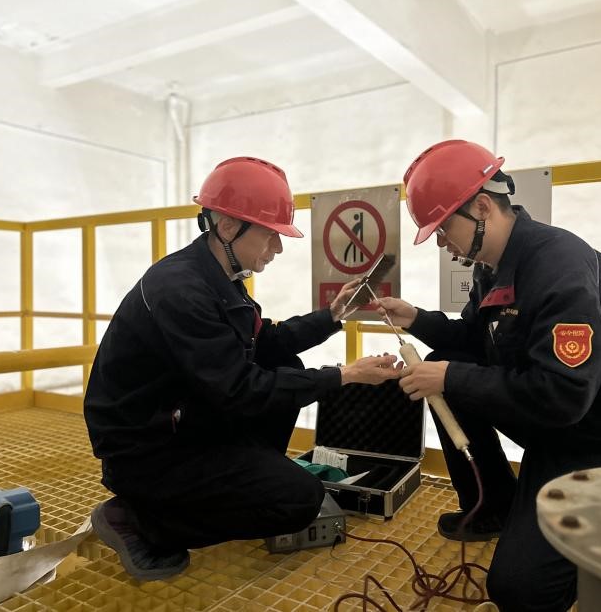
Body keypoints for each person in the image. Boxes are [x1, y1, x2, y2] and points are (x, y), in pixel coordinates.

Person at [377, 140, 601, 612]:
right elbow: (474, 339)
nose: (442, 242)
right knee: (447, 359)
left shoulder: (559, 266)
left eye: (443, 228)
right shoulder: (495, 267)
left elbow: (563, 394)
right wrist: (416, 319)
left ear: (482, 207)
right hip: (555, 430)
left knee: (519, 592)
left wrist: (450, 378)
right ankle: (493, 506)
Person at [84, 156, 401, 581]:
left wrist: (332, 315)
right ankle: (136, 519)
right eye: (271, 235)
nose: (278, 248)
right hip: (147, 449)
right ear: (230, 227)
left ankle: (238, 482)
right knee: (298, 501)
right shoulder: (180, 290)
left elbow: (263, 342)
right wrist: (344, 376)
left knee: (283, 364)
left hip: (183, 419)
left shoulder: (217, 277)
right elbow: (239, 389)